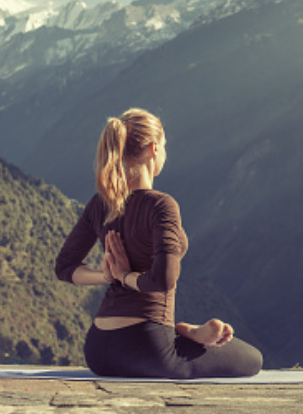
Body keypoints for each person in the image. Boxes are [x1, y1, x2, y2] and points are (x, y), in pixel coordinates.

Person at [55, 108, 262, 378]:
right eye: (164, 146)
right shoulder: (161, 205)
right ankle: (184, 334)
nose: (164, 152)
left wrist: (106, 276)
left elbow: (64, 267)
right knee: (253, 359)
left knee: (180, 344)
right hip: (147, 346)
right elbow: (163, 280)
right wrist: (123, 276)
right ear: (154, 148)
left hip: (98, 350)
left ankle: (184, 332)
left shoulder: (99, 204)